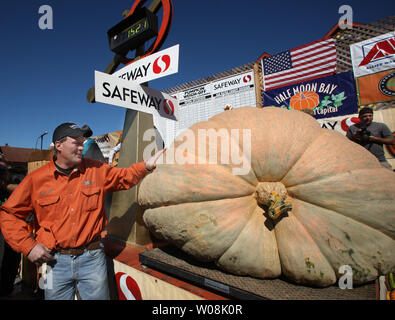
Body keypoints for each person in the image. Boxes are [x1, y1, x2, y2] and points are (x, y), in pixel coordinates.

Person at [0, 122, 164, 300]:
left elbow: (123, 177)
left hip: (92, 259)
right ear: (59, 145)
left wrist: (146, 166)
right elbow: (9, 214)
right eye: (76, 143)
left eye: (82, 142)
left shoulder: (97, 169)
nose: (81, 147)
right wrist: (29, 247)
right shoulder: (36, 179)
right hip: (55, 262)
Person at [0, 156, 21, 297]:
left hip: (12, 237)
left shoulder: (11, 188)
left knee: (12, 262)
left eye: (5, 169)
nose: (5, 173)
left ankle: (6, 290)